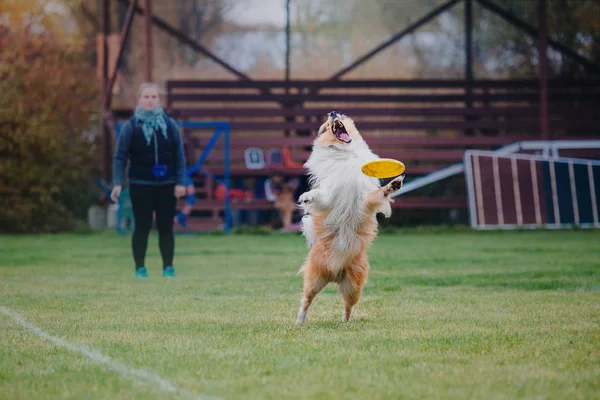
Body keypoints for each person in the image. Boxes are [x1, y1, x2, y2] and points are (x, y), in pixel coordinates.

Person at [111, 82, 186, 278]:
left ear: (159, 100)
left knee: (166, 227)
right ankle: (140, 268)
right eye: (146, 97)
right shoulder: (131, 126)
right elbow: (120, 156)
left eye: (154, 97)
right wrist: (118, 183)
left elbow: (179, 155)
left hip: (167, 184)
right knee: (142, 227)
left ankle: (168, 267)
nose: (150, 100)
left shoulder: (169, 125)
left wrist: (180, 182)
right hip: (140, 183)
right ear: (139, 99)